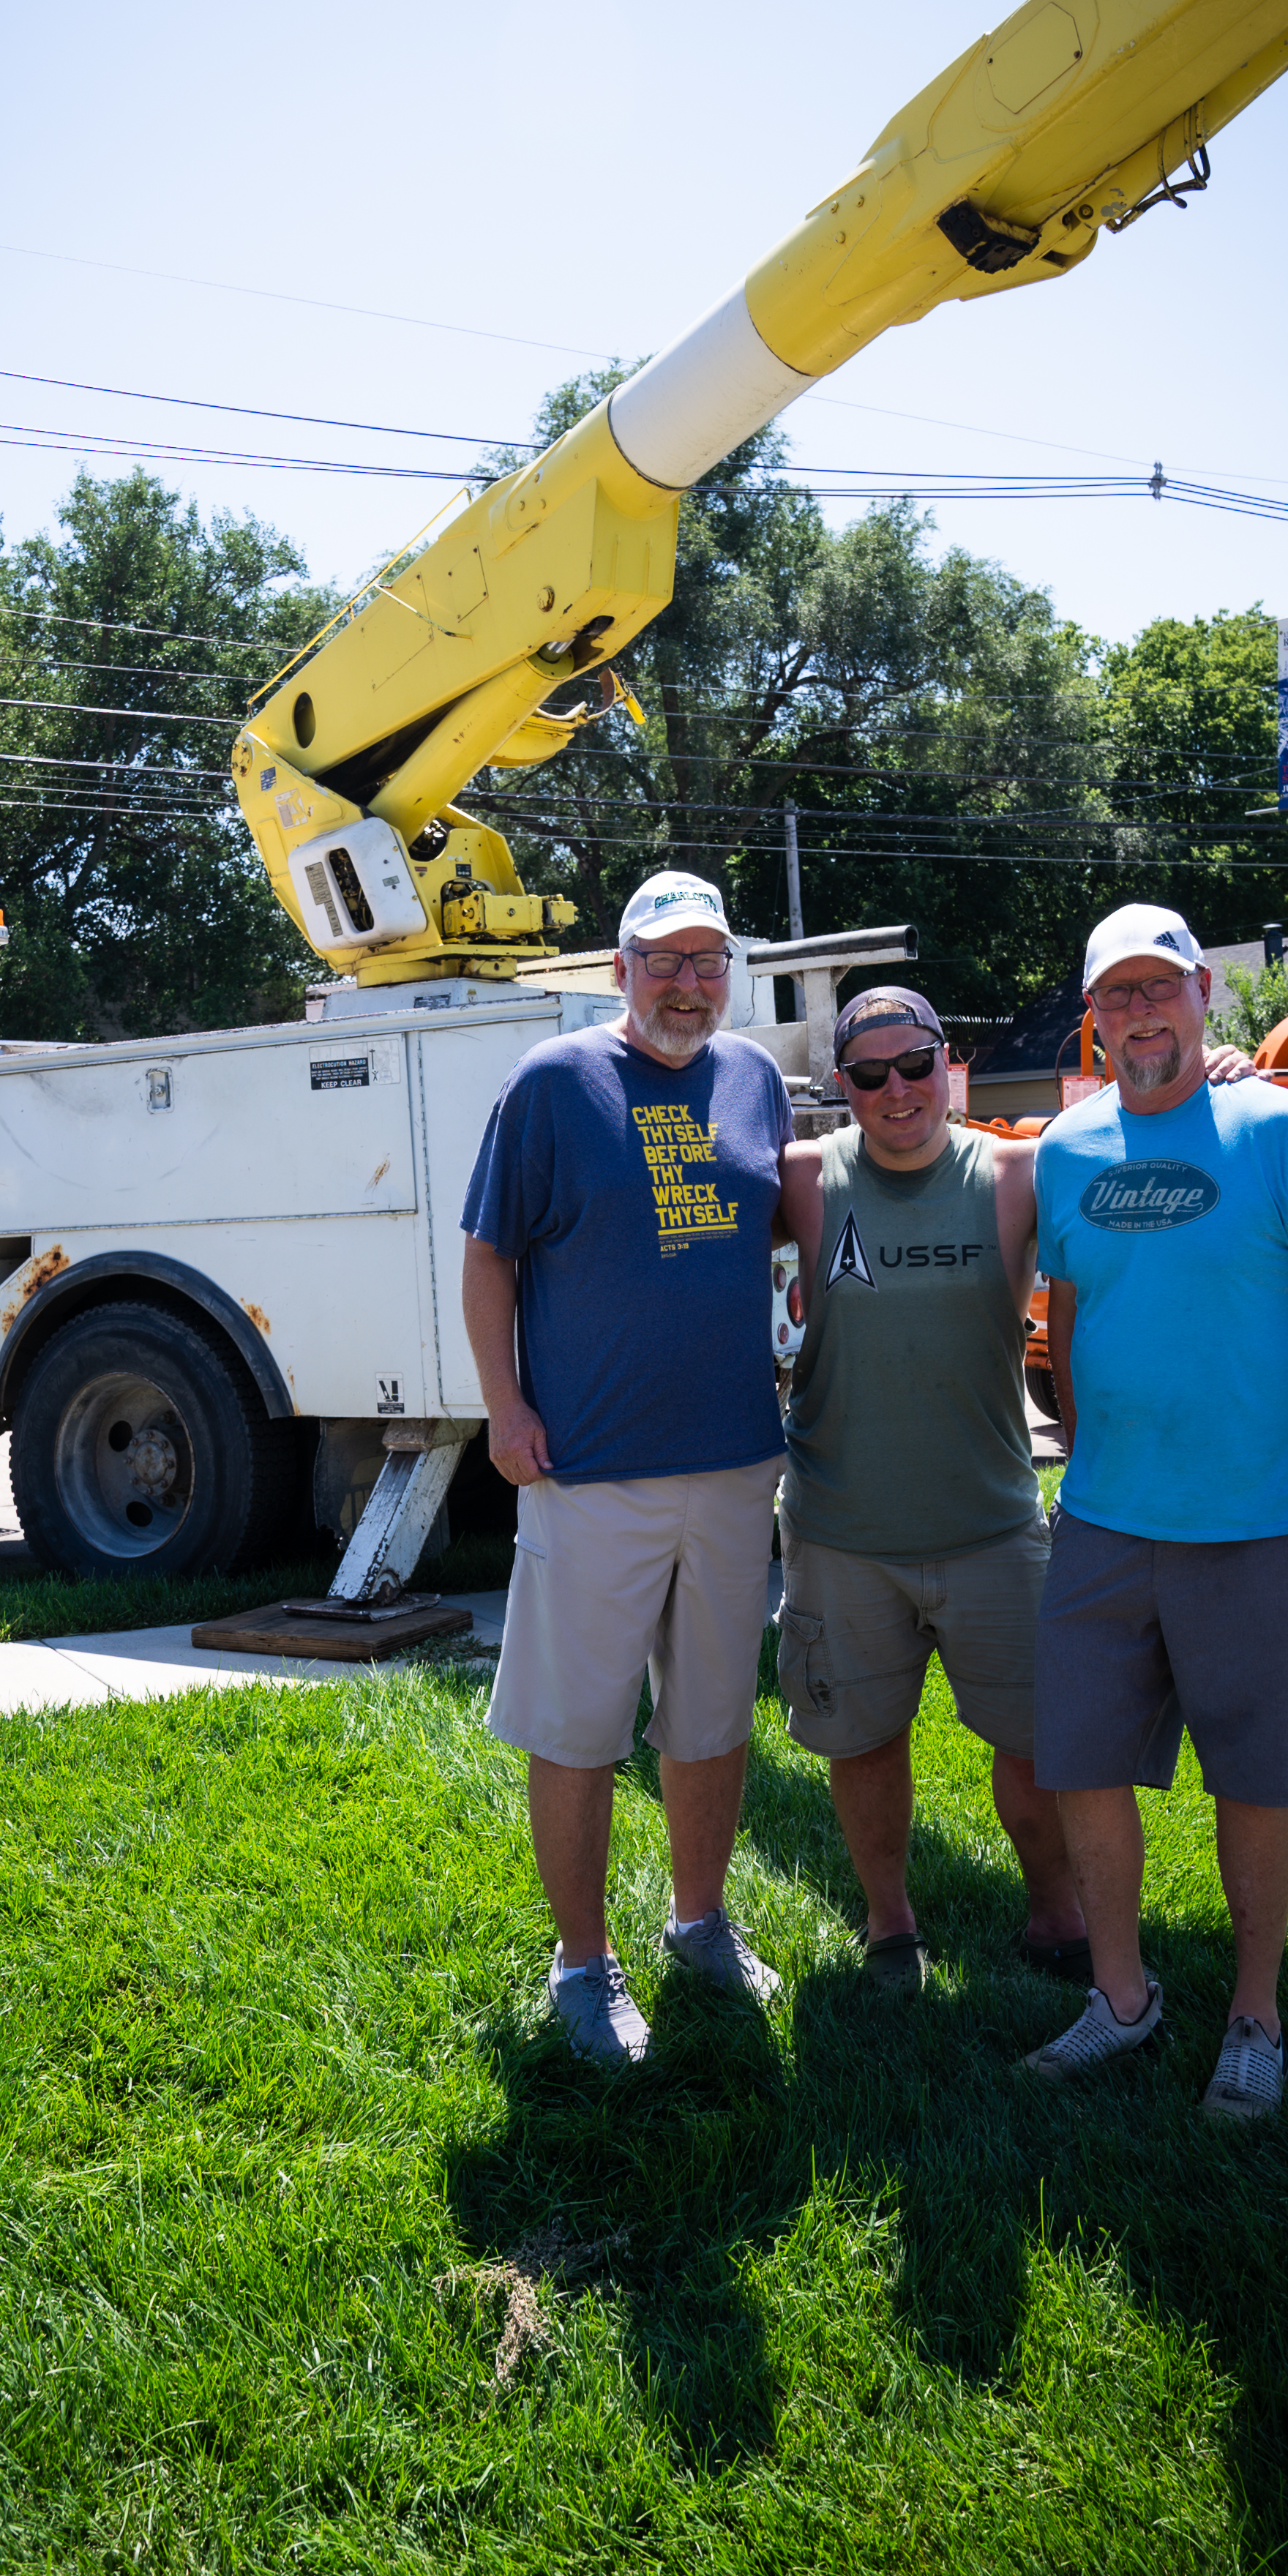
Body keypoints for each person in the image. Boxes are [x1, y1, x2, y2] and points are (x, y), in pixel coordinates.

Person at [774, 986, 1257, 1994]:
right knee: (863, 1746)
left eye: (916, 1066)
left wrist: (1213, 1082)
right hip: (841, 1528)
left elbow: (1151, 1154)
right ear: (843, 1084)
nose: (897, 1090)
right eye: (870, 1074)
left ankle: (1054, 1911)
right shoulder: (804, 1179)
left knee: (1044, 1749)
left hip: (993, 1526)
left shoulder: (1022, 1173)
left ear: (949, 1063)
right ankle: (890, 1921)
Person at [1025, 902, 1288, 2119]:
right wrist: (1085, 1454)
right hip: (1103, 1526)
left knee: (1254, 1781)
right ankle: (1123, 2000)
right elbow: (1073, 1310)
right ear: (1096, 1017)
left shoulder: (1285, 1131)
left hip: (1254, 1528)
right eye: (1117, 996)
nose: (1141, 1013)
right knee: (1081, 1760)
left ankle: (1256, 2017)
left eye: (1161, 989)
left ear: (1201, 996)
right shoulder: (1070, 1150)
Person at [460, 870, 796, 2064]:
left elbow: (795, 1221)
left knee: (710, 1718)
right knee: (581, 1727)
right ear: (620, 970)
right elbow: (489, 1256)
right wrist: (504, 1408)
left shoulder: (756, 1078)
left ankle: (699, 1922)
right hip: (590, 1466)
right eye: (664, 960)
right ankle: (582, 1965)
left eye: (709, 961)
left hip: (733, 1460)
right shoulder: (555, 1085)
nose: (688, 983)